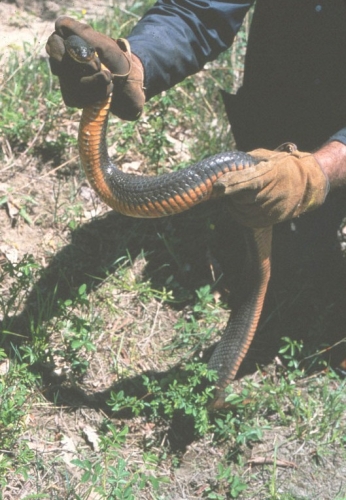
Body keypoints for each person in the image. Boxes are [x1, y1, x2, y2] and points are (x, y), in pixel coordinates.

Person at [46, 1, 346, 369]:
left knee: (313, 268)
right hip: (272, 118)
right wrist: (136, 63)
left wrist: (316, 172)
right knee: (263, 235)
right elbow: (199, 10)